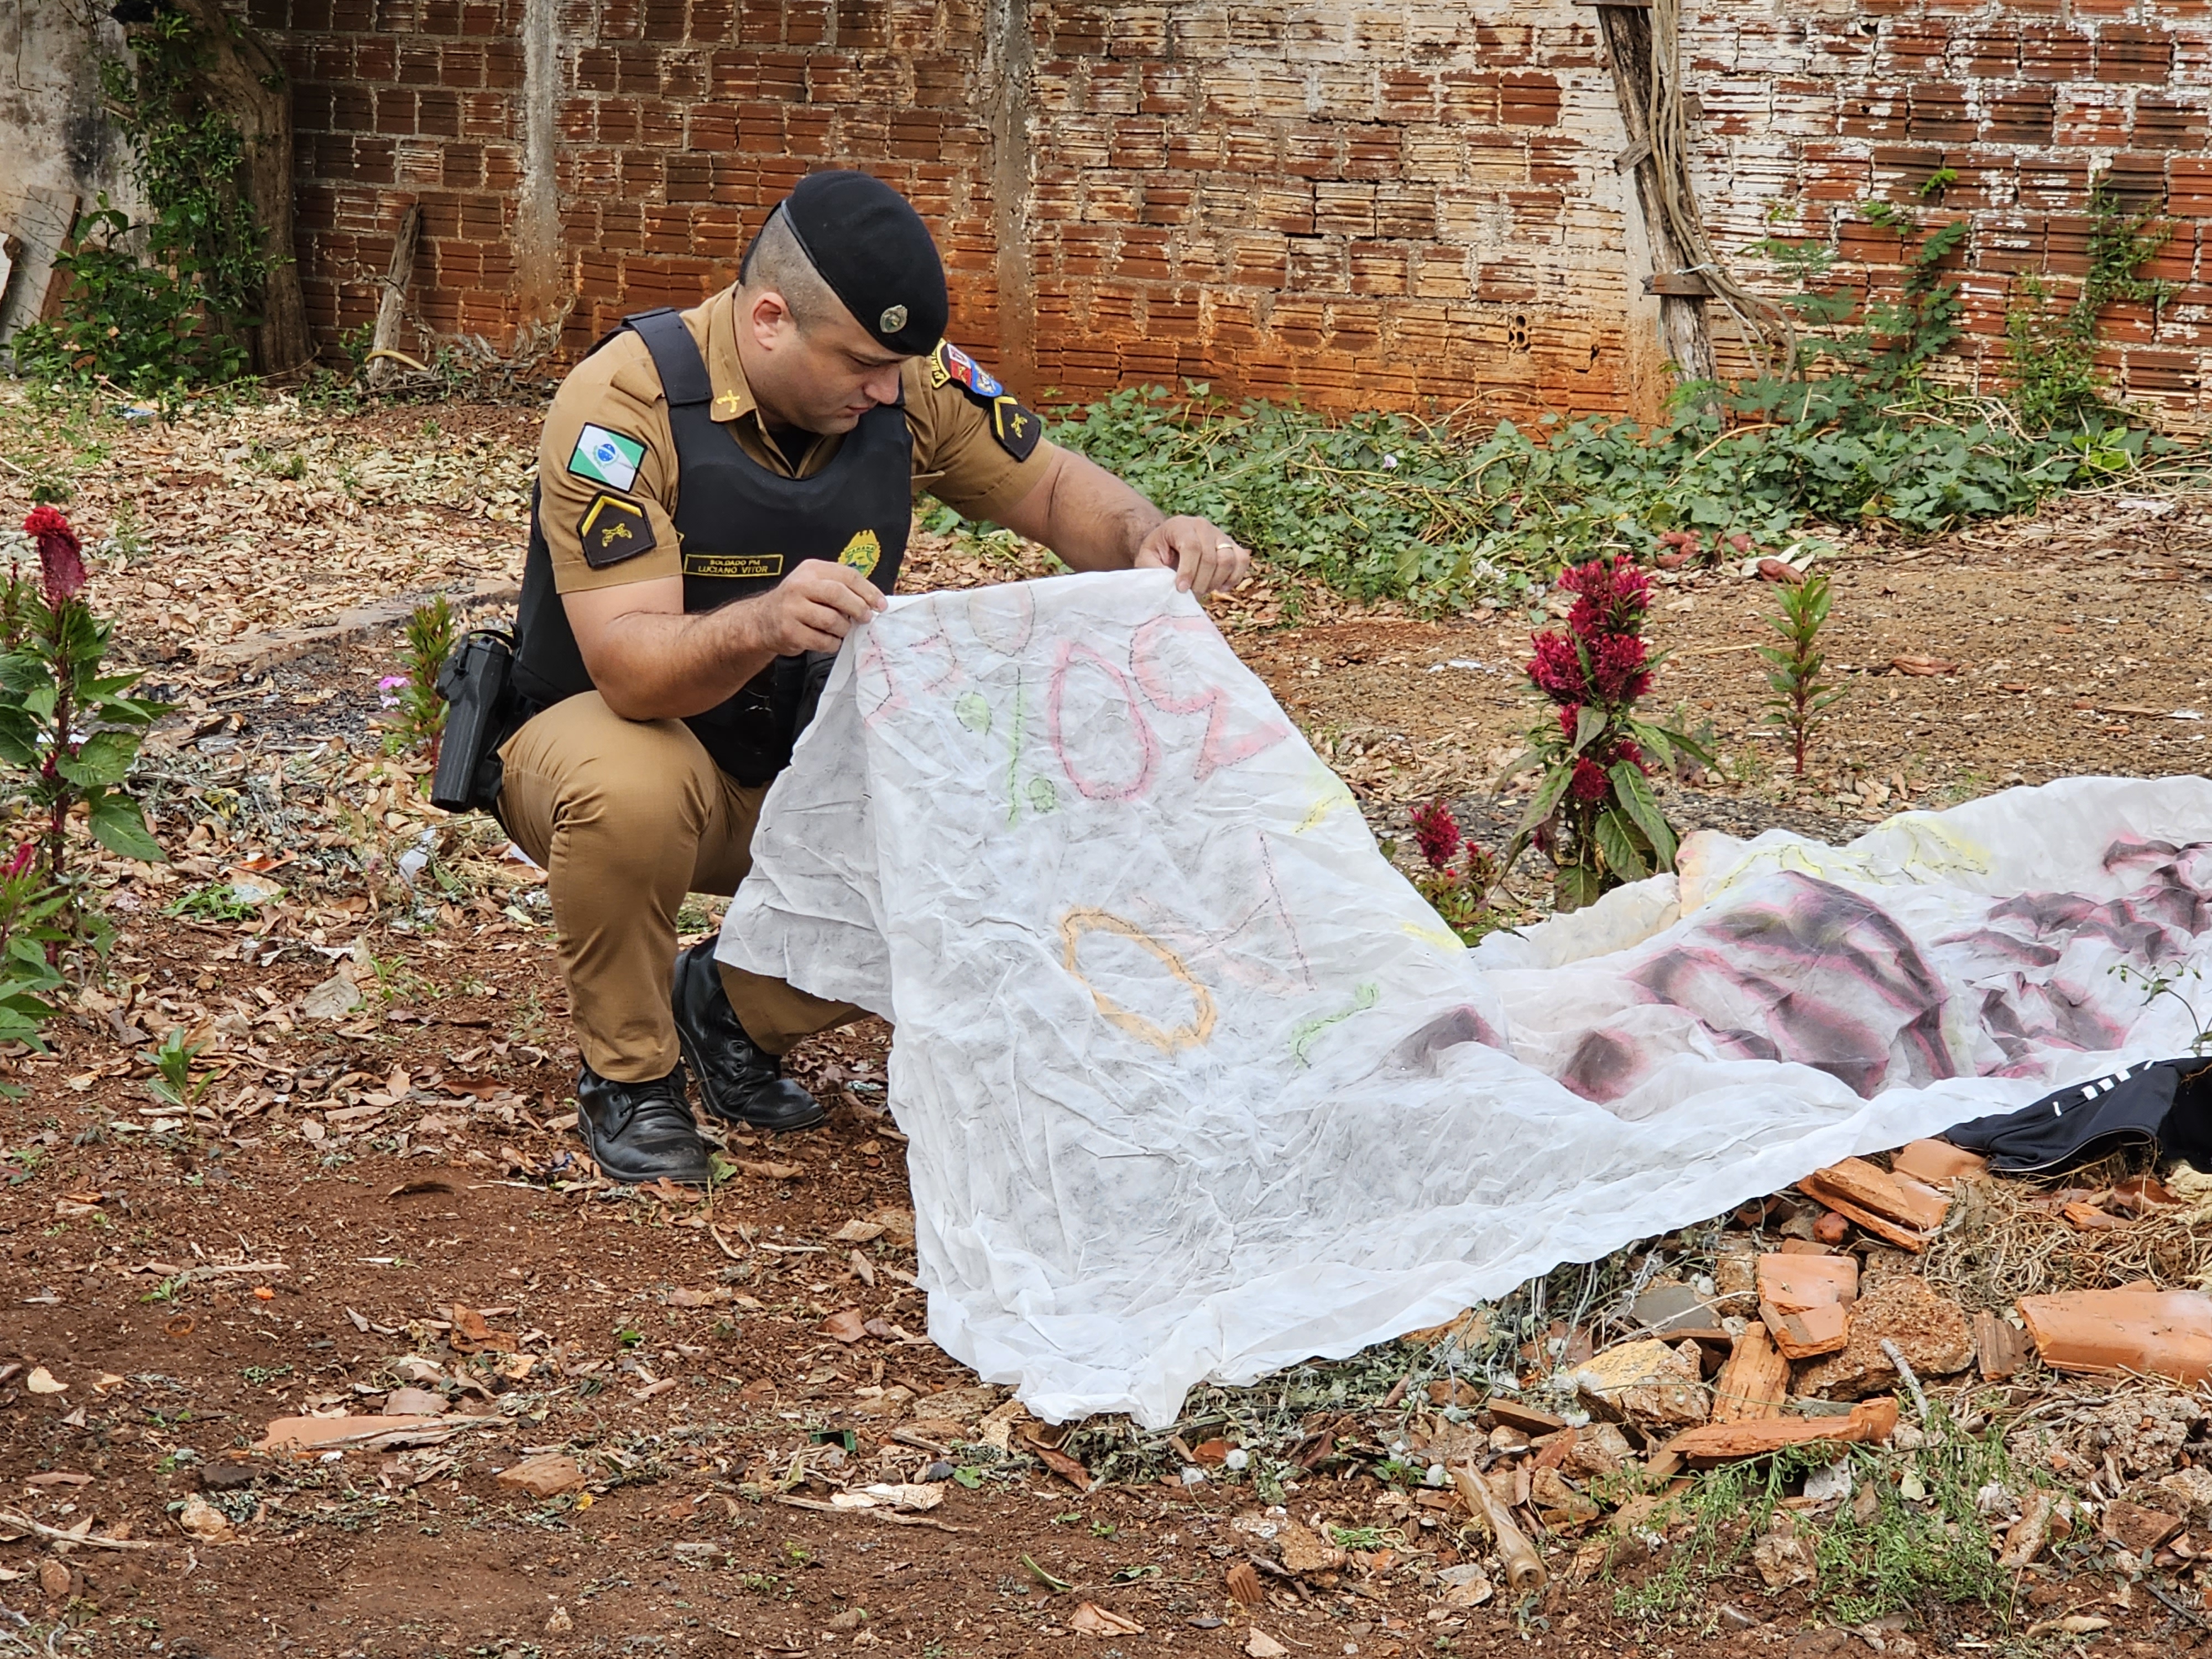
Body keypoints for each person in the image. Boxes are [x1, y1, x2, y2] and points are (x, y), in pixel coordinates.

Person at [495, 169, 1251, 1185]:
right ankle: (632, 1077)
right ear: (770, 319)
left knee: (982, 820)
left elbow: (1057, 485)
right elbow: (630, 668)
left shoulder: (906, 380)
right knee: (626, 790)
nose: (888, 392)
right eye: (861, 365)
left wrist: (1145, 536)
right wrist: (761, 621)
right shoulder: (624, 404)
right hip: (615, 736)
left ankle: (730, 1007)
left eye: (899, 367)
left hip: (793, 753)